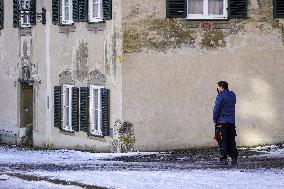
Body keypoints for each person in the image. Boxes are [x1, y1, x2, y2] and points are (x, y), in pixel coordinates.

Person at [213, 81, 238, 165]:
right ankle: (234, 158)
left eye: (218, 87)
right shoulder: (232, 95)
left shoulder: (220, 96)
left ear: (222, 87)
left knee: (222, 140)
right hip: (231, 122)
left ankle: (224, 159)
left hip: (221, 122)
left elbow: (216, 109)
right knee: (231, 140)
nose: (217, 88)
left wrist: (215, 120)